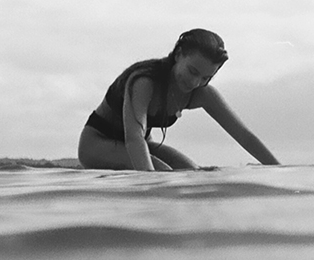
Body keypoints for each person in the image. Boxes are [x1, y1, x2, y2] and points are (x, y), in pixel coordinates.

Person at [78, 29, 280, 171]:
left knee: (192, 172)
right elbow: (134, 137)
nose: (195, 82)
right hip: (97, 142)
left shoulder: (202, 93)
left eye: (205, 77)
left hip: (143, 145)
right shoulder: (144, 81)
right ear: (178, 54)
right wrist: (151, 186)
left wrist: (281, 171)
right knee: (161, 172)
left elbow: (244, 136)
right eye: (192, 71)